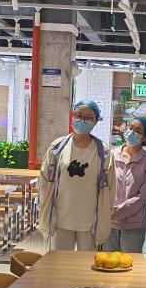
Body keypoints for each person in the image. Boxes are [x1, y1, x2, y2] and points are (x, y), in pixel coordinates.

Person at [37, 100, 115, 251]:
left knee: (86, 263)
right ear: (72, 116)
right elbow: (44, 180)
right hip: (60, 218)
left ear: (95, 121)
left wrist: (107, 212)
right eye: (78, 115)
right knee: (59, 262)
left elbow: (111, 187)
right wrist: (44, 206)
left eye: (88, 117)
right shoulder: (57, 148)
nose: (82, 120)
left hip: (90, 221)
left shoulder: (104, 152)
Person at [106, 115, 146, 253]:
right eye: (131, 127)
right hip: (109, 223)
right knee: (107, 263)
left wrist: (116, 212)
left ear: (145, 137)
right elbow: (103, 186)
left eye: (138, 131)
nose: (132, 132)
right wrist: (106, 211)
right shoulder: (111, 155)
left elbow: (142, 196)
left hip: (134, 224)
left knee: (130, 263)